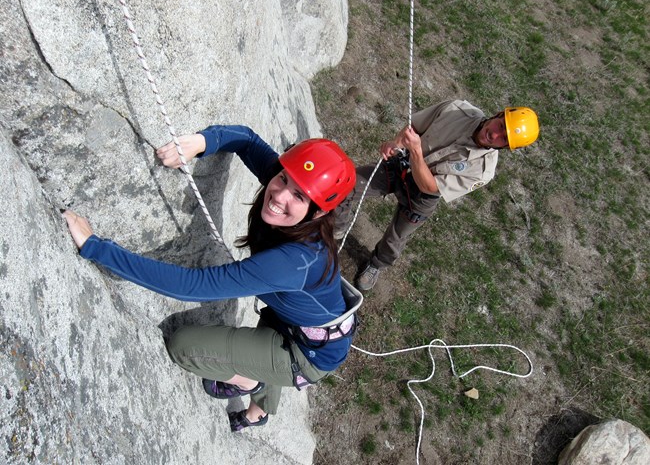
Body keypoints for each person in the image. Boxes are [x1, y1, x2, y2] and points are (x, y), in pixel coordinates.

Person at [63, 125, 357, 432]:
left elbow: (193, 286)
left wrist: (96, 247)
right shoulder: (291, 186)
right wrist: (201, 143)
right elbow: (247, 140)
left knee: (184, 347)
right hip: (291, 322)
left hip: (307, 353)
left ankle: (250, 380)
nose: (279, 195)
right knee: (268, 340)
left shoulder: (294, 262)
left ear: (319, 213)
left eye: (298, 195)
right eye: (283, 178)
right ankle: (260, 411)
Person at [335, 100, 539, 291]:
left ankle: (376, 264)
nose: (495, 135)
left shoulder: (482, 171)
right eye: (501, 126)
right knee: (346, 184)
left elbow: (429, 187)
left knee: (396, 237)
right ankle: (337, 228)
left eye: (504, 139)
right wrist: (396, 144)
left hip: (422, 195)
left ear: (506, 148)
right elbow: (415, 126)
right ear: (498, 114)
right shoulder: (456, 109)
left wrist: (415, 151)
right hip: (401, 165)